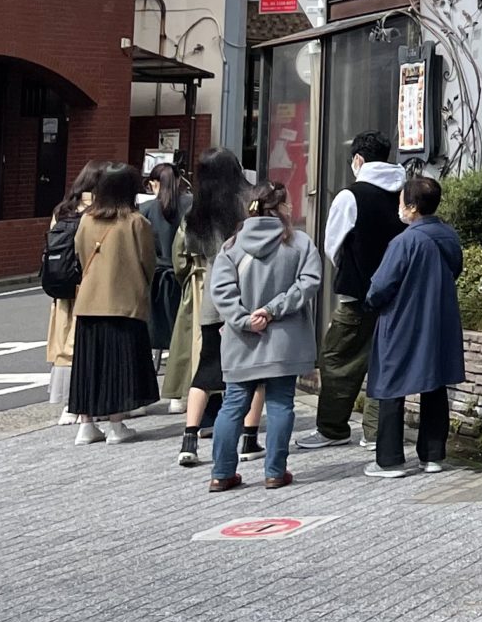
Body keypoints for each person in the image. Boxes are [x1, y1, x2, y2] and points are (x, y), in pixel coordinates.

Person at [206, 183, 323, 493]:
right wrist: (273, 310)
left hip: (241, 340)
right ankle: (275, 472)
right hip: (285, 339)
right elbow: (309, 282)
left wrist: (244, 320)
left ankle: (221, 473)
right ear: (281, 207)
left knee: (233, 405)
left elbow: (220, 291)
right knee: (281, 403)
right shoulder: (299, 242)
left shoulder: (232, 246)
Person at [362, 172, 466, 478]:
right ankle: (433, 456)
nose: (399, 207)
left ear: (412, 207)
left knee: (391, 384)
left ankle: (390, 460)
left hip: (402, 320)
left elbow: (381, 286)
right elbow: (455, 269)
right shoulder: (449, 236)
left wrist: (371, 302)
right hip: (440, 319)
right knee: (434, 382)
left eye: (401, 202)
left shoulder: (405, 241)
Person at [311, 131, 406, 450]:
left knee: (337, 359)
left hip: (357, 294)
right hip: (396, 295)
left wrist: (353, 270)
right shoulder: (404, 192)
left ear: (358, 159)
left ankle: (332, 429)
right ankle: (377, 432)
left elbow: (333, 246)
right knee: (385, 361)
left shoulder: (350, 196)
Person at [169, 152, 252, 469]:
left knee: (206, 368)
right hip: (246, 296)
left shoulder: (196, 212)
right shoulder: (246, 205)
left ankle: (189, 439)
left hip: (213, 299)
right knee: (250, 371)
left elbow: (190, 250)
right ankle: (248, 437)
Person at [68, 163, 160, 442]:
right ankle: (116, 426)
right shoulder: (136, 222)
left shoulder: (86, 220)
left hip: (89, 301)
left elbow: (80, 253)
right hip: (124, 303)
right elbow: (148, 262)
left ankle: (86, 425)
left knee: (88, 364)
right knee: (118, 363)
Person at [42, 181, 90, 426]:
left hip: (62, 287)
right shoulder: (98, 211)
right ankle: (86, 406)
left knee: (64, 345)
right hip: (86, 286)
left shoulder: (62, 211)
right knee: (85, 343)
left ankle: (68, 406)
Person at [137, 163, 182, 353]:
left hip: (154, 277)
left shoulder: (144, 209)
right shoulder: (191, 205)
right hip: (182, 276)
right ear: (178, 181)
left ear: (154, 184)